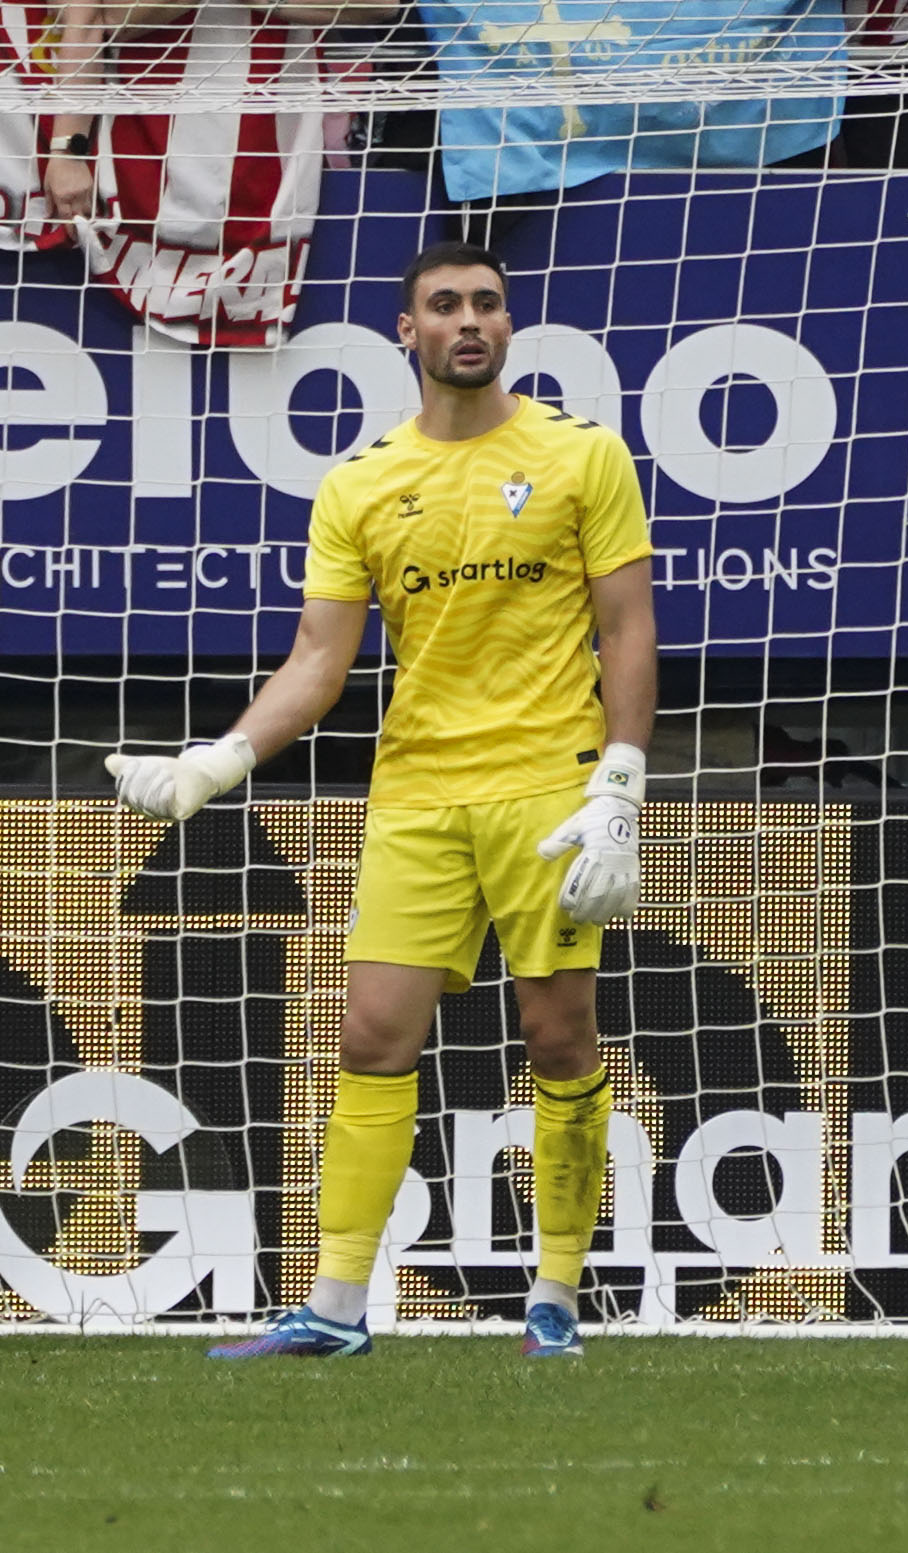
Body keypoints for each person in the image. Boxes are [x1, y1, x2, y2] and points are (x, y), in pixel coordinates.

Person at [107, 240, 658, 1361]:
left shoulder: (581, 456)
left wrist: (621, 777)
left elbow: (628, 625)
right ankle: (338, 1304)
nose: (470, 321)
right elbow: (319, 660)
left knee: (558, 1035)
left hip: (548, 787)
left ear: (511, 325)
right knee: (369, 1036)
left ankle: (555, 1289)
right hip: (416, 795)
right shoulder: (359, 483)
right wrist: (213, 765)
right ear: (404, 331)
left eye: (489, 305)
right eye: (446, 305)